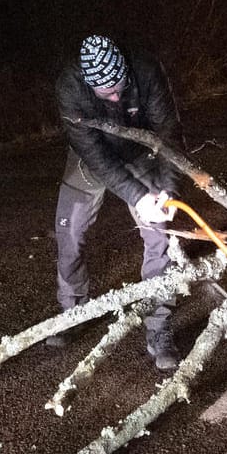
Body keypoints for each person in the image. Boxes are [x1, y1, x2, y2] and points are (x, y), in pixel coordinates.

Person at [51, 34, 186, 370]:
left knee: (160, 234)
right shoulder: (70, 88)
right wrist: (137, 197)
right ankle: (74, 310)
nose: (114, 96)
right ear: (88, 84)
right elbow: (95, 155)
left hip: (140, 154)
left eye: (119, 88)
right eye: (105, 93)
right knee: (68, 234)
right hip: (91, 159)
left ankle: (159, 327)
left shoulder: (145, 70)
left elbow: (168, 132)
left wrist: (168, 189)